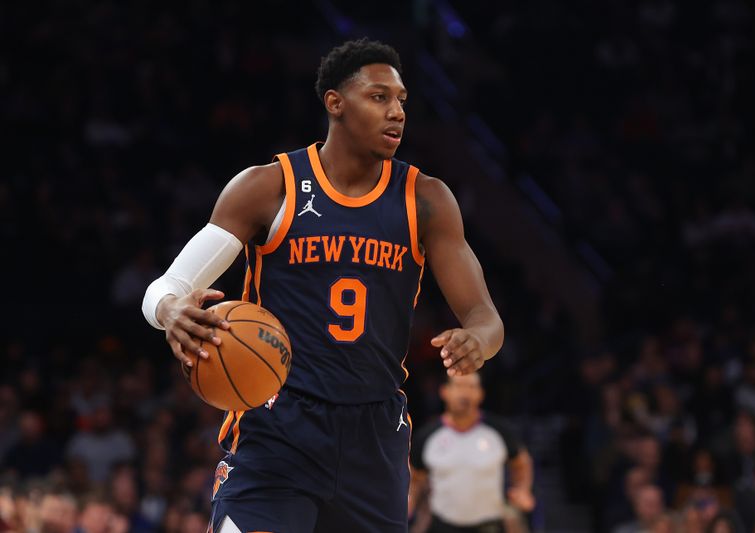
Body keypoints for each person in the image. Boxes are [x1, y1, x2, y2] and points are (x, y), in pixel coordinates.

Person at [141, 38, 504, 533]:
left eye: (401, 100)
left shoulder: (427, 200)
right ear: (335, 102)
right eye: (379, 97)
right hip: (280, 424)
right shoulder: (269, 187)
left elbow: (486, 317)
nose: (396, 112)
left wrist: (477, 340)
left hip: (373, 434)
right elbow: (168, 285)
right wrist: (171, 311)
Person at [408, 373, 533, 533]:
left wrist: (522, 490)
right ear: (444, 391)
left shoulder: (499, 431)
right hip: (442, 524)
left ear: (481, 394)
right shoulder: (427, 436)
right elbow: (415, 478)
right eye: (459, 386)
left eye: (471, 387)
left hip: (489, 525)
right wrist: (409, 505)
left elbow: (521, 462)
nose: (465, 393)